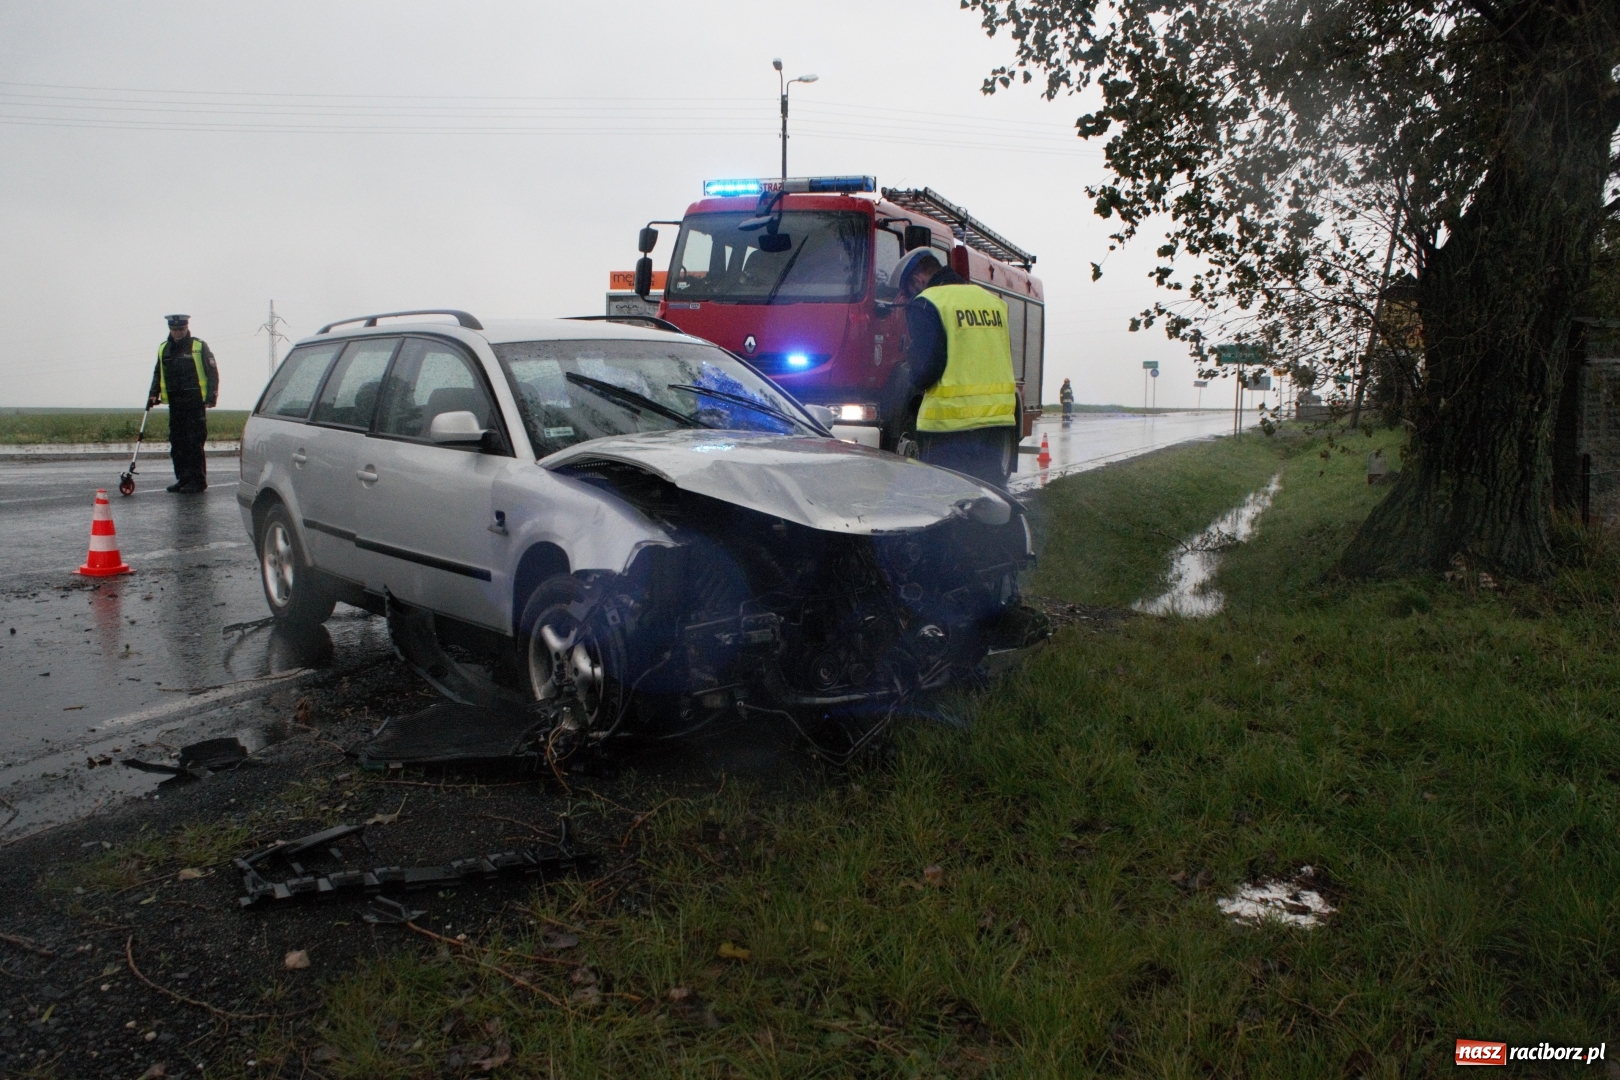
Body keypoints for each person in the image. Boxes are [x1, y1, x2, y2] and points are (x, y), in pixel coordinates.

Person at [894, 248, 1018, 487]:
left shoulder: (927, 302)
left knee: (948, 497)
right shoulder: (993, 302)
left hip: (949, 425)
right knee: (987, 496)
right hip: (997, 422)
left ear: (917, 280)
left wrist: (912, 374)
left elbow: (927, 368)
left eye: (909, 291)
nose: (912, 296)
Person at [147, 314, 219, 493]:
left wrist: (211, 397)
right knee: (177, 442)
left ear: (187, 328)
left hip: (194, 402)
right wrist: (153, 394)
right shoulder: (164, 348)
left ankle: (197, 480)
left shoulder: (198, 346)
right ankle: (183, 478)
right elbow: (158, 372)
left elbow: (212, 372)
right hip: (175, 402)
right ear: (170, 330)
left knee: (194, 442)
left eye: (181, 329)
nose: (178, 333)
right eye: (174, 330)